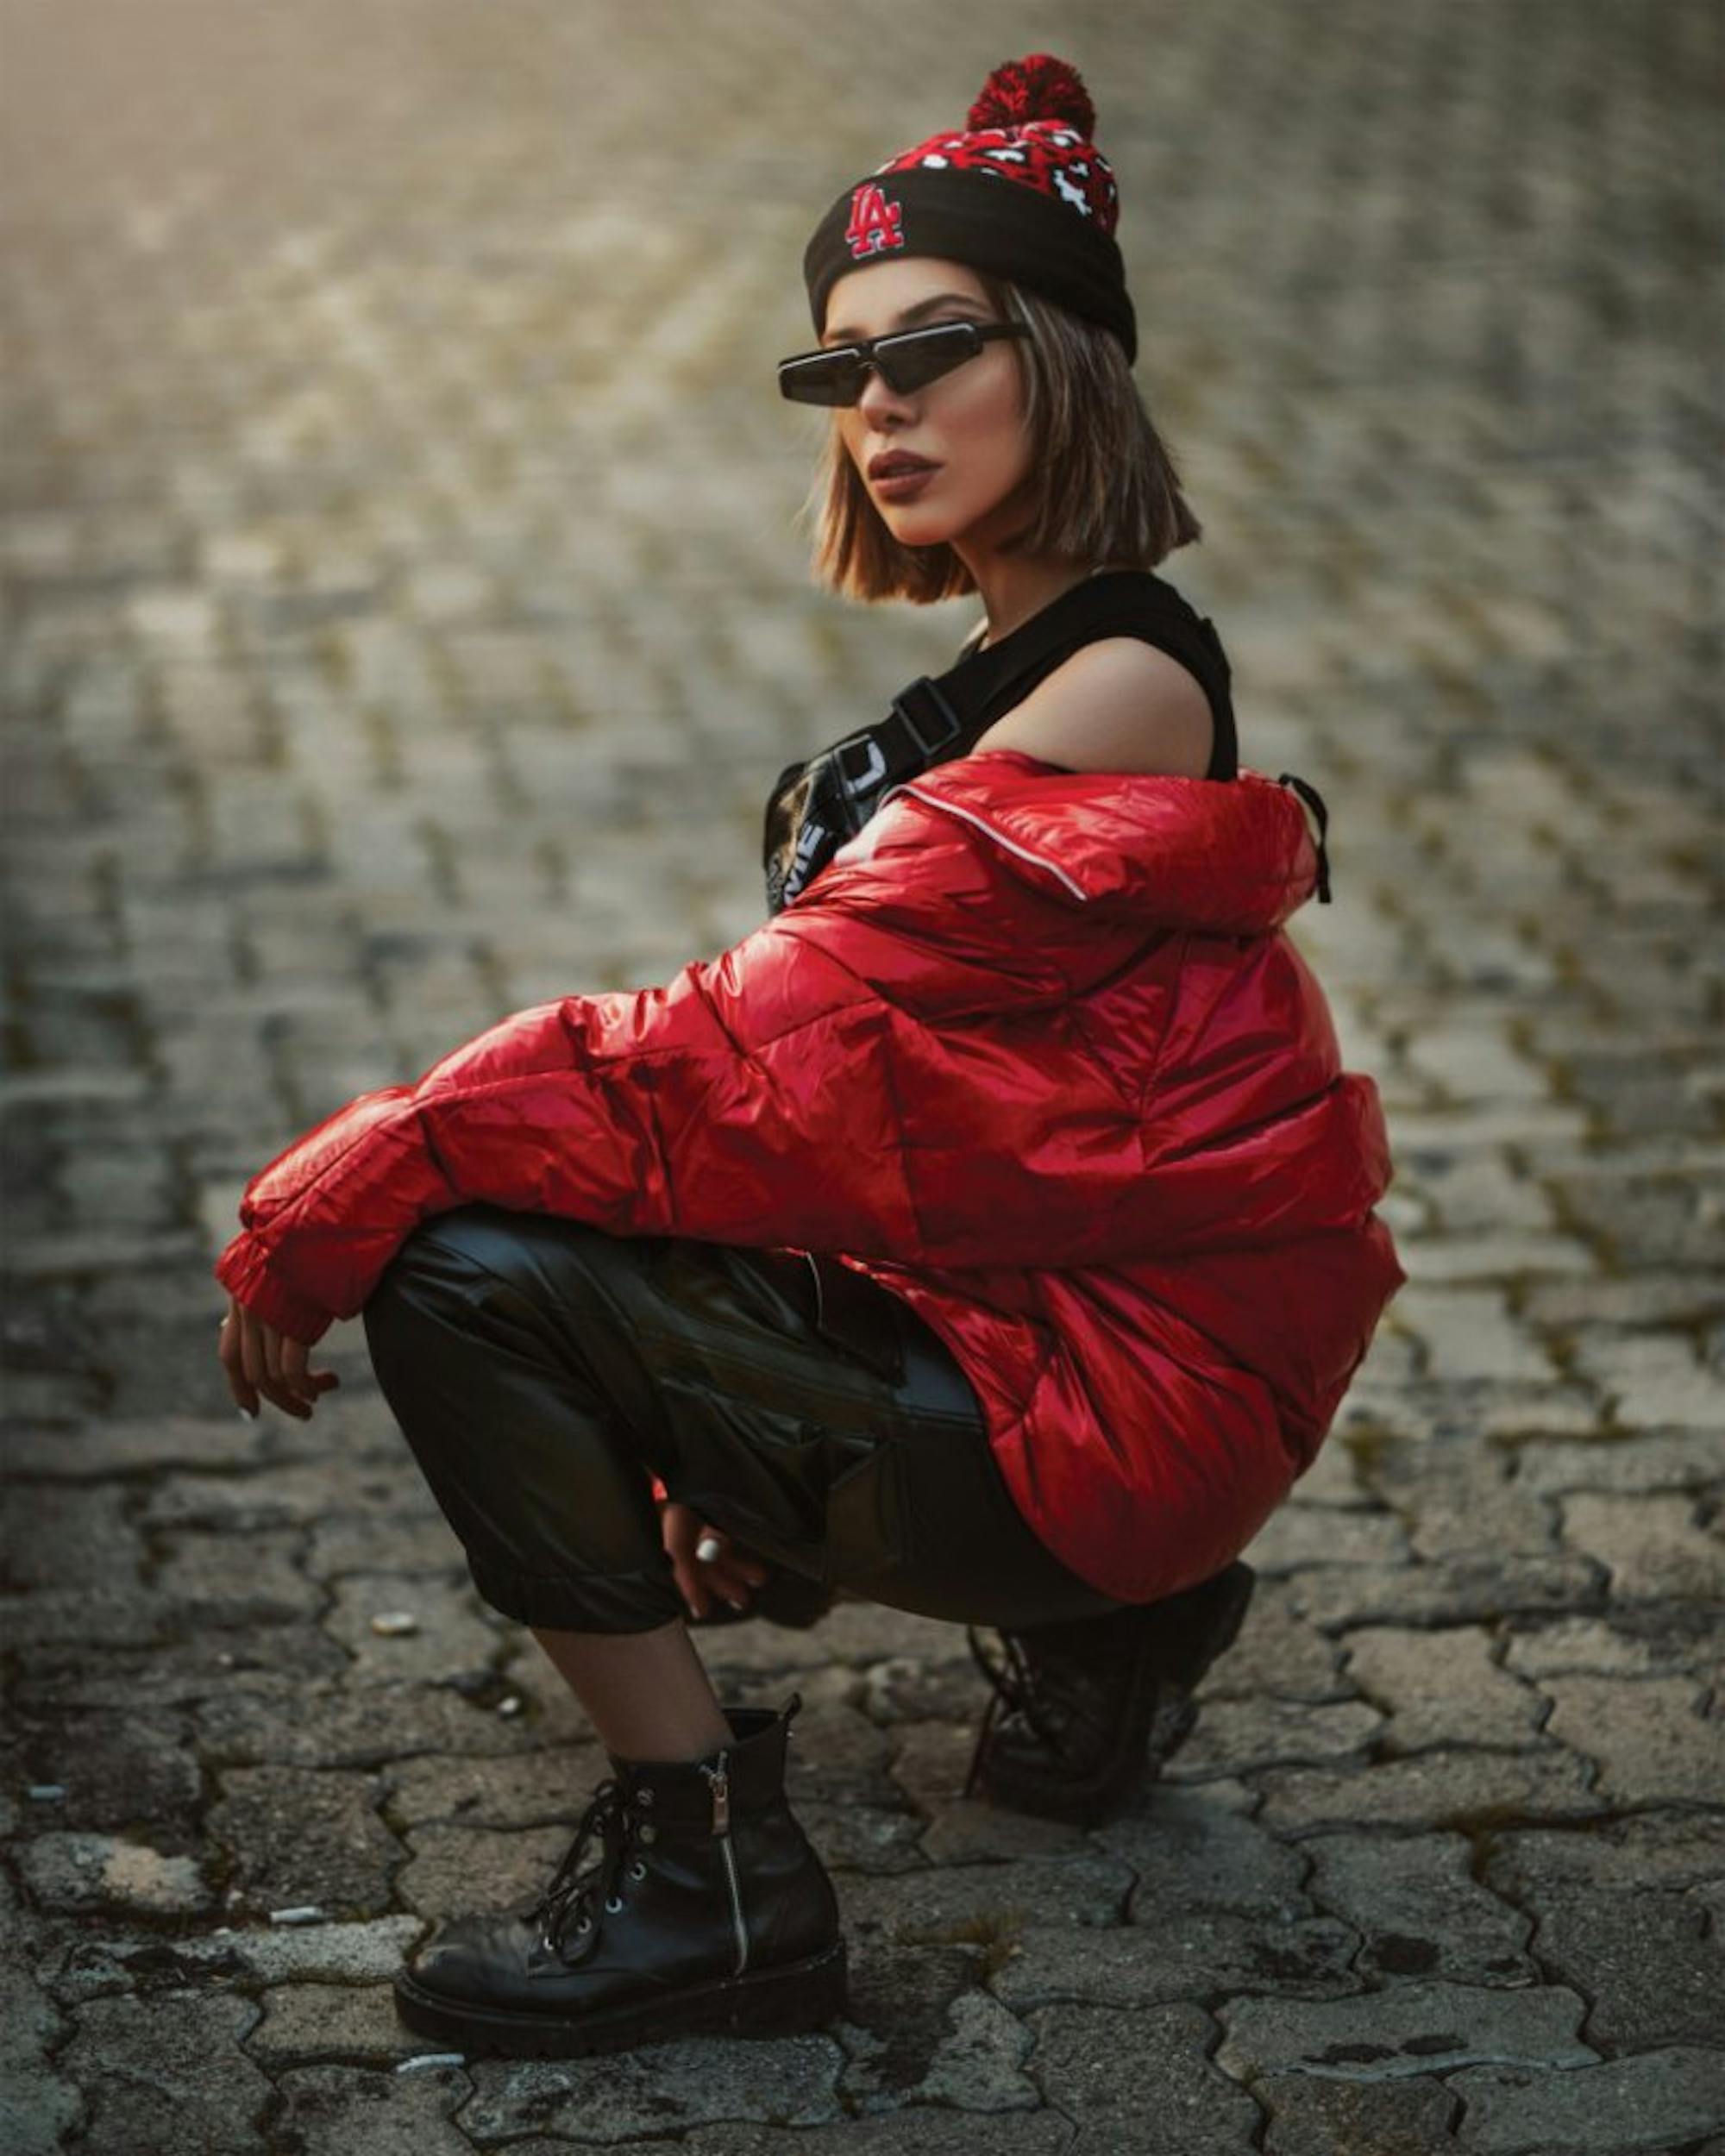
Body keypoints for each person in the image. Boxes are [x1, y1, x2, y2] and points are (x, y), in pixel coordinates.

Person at [213, 53, 1405, 2060]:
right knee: (569, 1235)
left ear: (1065, 358)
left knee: (461, 1267)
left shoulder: (1111, 683)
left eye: (931, 352)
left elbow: (736, 1055)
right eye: (840, 371)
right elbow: (931, 1111)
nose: (878, 410)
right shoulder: (1013, 665)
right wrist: (731, 1402)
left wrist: (358, 1177)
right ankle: (1114, 1634)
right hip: (1082, 1360)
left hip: (1106, 1407)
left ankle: (713, 1880)